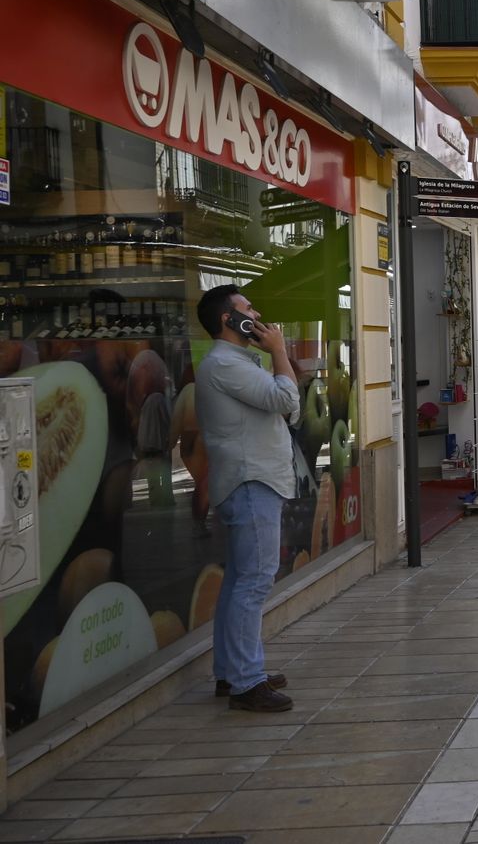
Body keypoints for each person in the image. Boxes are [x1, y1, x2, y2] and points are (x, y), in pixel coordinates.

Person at [194, 284, 298, 713]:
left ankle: (232, 671)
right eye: (248, 309)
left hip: (253, 481)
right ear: (228, 319)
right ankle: (246, 682)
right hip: (251, 482)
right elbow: (286, 400)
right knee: (254, 581)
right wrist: (279, 351)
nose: (256, 315)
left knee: (240, 581)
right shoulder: (224, 364)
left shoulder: (233, 362)